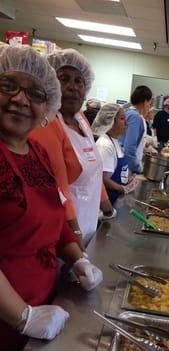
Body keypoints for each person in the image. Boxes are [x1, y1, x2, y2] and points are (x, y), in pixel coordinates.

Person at [0, 45, 103, 351]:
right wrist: (23, 316)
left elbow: (57, 216)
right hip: (8, 316)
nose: (20, 99)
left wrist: (77, 258)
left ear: (47, 106)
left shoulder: (38, 152)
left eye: (34, 93)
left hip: (43, 305)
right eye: (8, 86)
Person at [30, 49, 104, 247]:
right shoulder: (48, 122)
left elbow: (95, 170)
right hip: (65, 235)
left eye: (79, 81)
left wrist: (108, 208)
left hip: (88, 225)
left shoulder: (80, 118)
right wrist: (76, 239)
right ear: (50, 83)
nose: (73, 87)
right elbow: (59, 189)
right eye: (64, 79)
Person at [94, 104, 138, 203]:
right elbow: (103, 179)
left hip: (116, 200)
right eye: (122, 119)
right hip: (108, 203)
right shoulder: (104, 145)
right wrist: (123, 188)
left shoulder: (115, 141)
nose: (126, 123)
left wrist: (128, 179)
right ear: (109, 122)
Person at [120, 85, 153, 173]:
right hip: (126, 168)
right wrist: (137, 168)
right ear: (146, 102)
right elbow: (129, 148)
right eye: (150, 104)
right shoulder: (135, 117)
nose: (149, 107)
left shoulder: (128, 113)